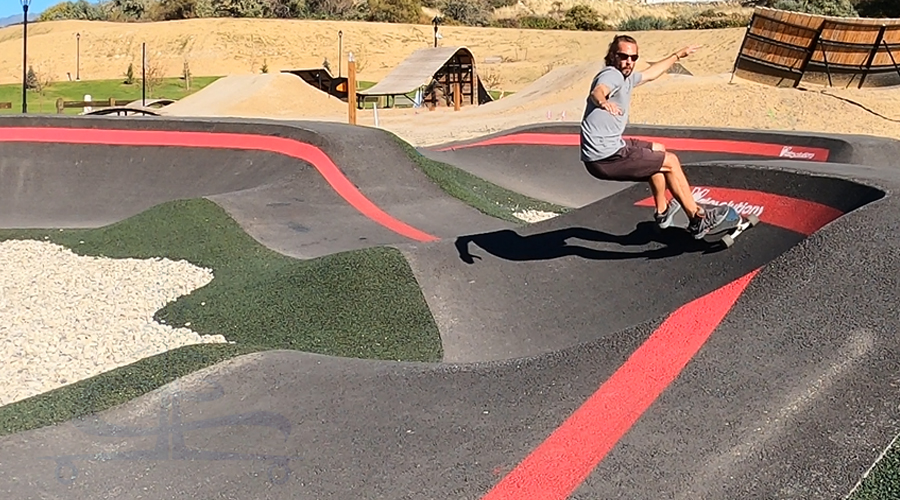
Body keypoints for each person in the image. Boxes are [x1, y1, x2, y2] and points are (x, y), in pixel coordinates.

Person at [580, 34, 729, 239]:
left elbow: (651, 73)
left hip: (613, 147)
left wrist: (678, 55)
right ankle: (698, 219)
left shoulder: (627, 77)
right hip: (605, 156)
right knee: (671, 161)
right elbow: (599, 90)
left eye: (634, 58)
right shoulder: (611, 74)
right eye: (623, 56)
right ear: (613, 56)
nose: (629, 62)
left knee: (657, 149)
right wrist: (603, 101)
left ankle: (662, 212)